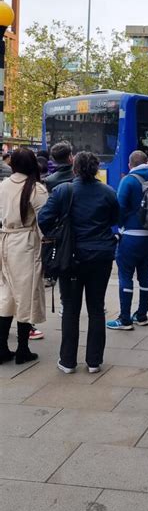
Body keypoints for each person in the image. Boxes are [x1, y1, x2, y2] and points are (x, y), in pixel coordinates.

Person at [38, 152, 119, 374]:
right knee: (96, 308)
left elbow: (43, 219)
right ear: (96, 169)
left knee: (71, 308)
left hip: (70, 257)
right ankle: (94, 361)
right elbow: (115, 219)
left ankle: (67, 361)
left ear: (74, 168)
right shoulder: (108, 192)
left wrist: (60, 233)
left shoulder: (64, 191)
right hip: (100, 256)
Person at [107, 150, 148, 330]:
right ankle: (142, 315)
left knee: (125, 276)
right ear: (147, 162)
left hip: (131, 236)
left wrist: (120, 227)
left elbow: (119, 209)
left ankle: (124, 319)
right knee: (145, 274)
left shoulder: (129, 180)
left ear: (130, 165)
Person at [0, 149, 48, 364]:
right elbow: (46, 220)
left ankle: (1, 348)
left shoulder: (3, 185)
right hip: (26, 243)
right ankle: (22, 349)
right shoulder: (35, 189)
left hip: (4, 241)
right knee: (26, 295)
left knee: (6, 295)